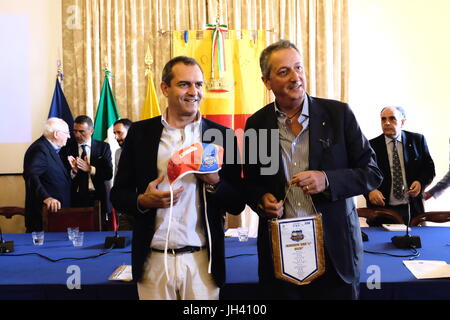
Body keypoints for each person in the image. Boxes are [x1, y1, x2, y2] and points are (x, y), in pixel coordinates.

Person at [243, 40, 382, 300]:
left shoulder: (339, 115)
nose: (296, 77)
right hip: (281, 256)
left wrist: (328, 180)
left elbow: (371, 172)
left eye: (299, 68)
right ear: (267, 82)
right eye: (284, 71)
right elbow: (252, 183)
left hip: (335, 254)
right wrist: (262, 200)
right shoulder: (257, 124)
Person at [110, 56, 245, 300]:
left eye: (199, 85)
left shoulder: (222, 136)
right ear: (165, 88)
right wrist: (143, 201)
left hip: (203, 263)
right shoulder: (140, 134)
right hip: (153, 262)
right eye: (185, 84)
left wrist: (214, 181)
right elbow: (118, 195)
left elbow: (237, 202)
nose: (194, 92)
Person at [365, 106, 435, 222]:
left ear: (402, 122)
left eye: (392, 119)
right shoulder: (371, 146)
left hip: (412, 209)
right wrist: (370, 190)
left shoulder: (417, 140)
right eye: (383, 119)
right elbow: (363, 173)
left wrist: (420, 182)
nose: (387, 123)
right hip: (382, 210)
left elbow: (429, 168)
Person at [63, 115, 113, 229]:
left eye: (81, 131)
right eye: (75, 131)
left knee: (99, 231)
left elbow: (108, 173)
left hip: (98, 197)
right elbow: (61, 176)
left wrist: (90, 169)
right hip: (75, 198)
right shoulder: (67, 148)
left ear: (91, 131)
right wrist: (73, 172)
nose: (77, 135)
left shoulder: (103, 147)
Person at [23, 118, 72, 232]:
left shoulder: (50, 148)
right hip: (44, 215)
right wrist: (46, 197)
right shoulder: (40, 149)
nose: (69, 137)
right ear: (56, 134)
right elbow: (31, 176)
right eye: (66, 133)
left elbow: (52, 176)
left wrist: (72, 172)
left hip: (56, 214)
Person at [112, 118, 134, 230]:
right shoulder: (117, 153)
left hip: (140, 204)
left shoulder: (144, 151)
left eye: (119, 132)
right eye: (114, 133)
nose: (116, 137)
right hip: (123, 207)